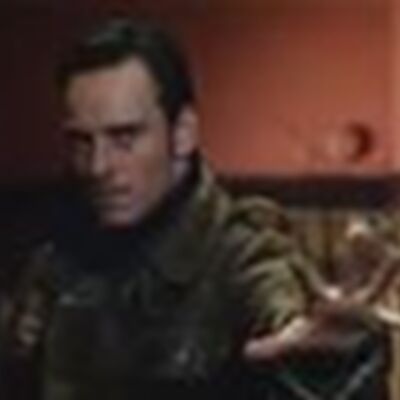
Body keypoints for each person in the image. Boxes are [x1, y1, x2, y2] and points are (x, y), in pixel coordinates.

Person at [0, 18, 396, 400]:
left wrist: (330, 362)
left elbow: (281, 316)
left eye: (125, 138)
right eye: (82, 141)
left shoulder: (241, 255)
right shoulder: (56, 260)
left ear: (182, 133)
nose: (98, 166)